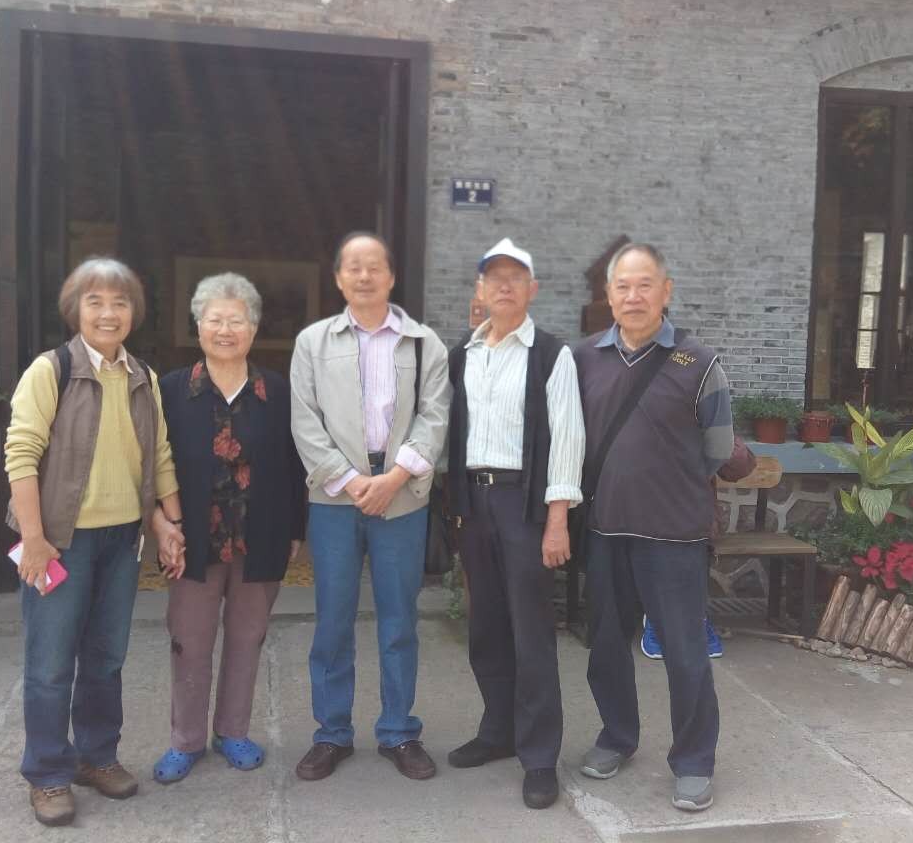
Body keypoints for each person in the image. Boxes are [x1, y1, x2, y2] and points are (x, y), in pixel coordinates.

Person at [5, 257, 183, 827]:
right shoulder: (51, 370)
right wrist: (34, 538)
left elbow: (157, 456)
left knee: (106, 660)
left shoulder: (142, 377)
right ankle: (48, 774)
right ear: (75, 309)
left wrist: (166, 523)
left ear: (134, 311)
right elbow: (21, 454)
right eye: (95, 302)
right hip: (60, 542)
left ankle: (96, 756)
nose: (108, 313)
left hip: (121, 541)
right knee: (51, 664)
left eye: (119, 302)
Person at [572, 243, 734, 813]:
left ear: (666, 291)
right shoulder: (583, 359)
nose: (633, 296)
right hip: (605, 530)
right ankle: (617, 736)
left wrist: (666, 485)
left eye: (645, 285)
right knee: (606, 648)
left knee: (685, 653)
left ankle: (693, 761)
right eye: (623, 286)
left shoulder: (700, 362)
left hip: (674, 537)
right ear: (608, 295)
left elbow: (717, 449)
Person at [289, 231, 450, 782]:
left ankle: (399, 730)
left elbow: (435, 416)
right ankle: (331, 732)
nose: (364, 276)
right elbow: (304, 420)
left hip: (401, 496)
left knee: (399, 620)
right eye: (353, 267)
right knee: (333, 618)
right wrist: (353, 480)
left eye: (374, 266)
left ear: (391, 276)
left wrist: (394, 477)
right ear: (339, 278)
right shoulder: (312, 342)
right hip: (335, 498)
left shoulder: (424, 343)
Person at [148, 273, 306, 785]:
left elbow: (295, 463)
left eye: (236, 320)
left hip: (260, 536)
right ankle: (186, 740)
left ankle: (233, 731)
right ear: (198, 326)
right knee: (189, 640)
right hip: (192, 540)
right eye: (214, 319)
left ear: (253, 329)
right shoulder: (171, 390)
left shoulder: (276, 392)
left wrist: (296, 528)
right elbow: (150, 461)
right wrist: (159, 521)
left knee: (247, 636)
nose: (224, 330)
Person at [445, 238, 585, 809]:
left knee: (531, 633)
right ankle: (497, 731)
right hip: (473, 504)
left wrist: (558, 520)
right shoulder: (463, 354)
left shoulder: (551, 355)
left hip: (524, 504)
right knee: (486, 627)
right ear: (479, 290)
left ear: (533, 289)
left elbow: (568, 439)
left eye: (515, 277)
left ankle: (540, 756)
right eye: (494, 277)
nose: (504, 286)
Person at [640, 438, 756, 662]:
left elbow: (739, 467)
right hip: (650, 514)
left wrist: (718, 431)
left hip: (696, 518)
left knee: (692, 539)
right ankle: (657, 616)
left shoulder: (704, 421)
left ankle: (696, 616)